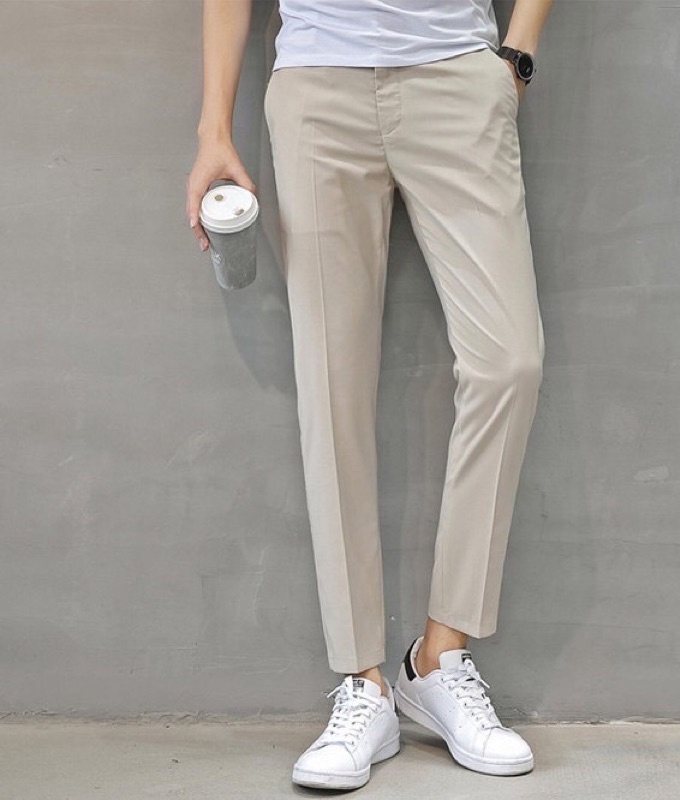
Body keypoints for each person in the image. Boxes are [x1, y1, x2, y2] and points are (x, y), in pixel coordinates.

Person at [187, 0, 553, 790]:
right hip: (318, 83)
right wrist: (214, 127)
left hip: (457, 75)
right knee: (332, 382)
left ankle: (438, 657)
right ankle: (364, 684)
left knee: (509, 362)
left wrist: (516, 57)